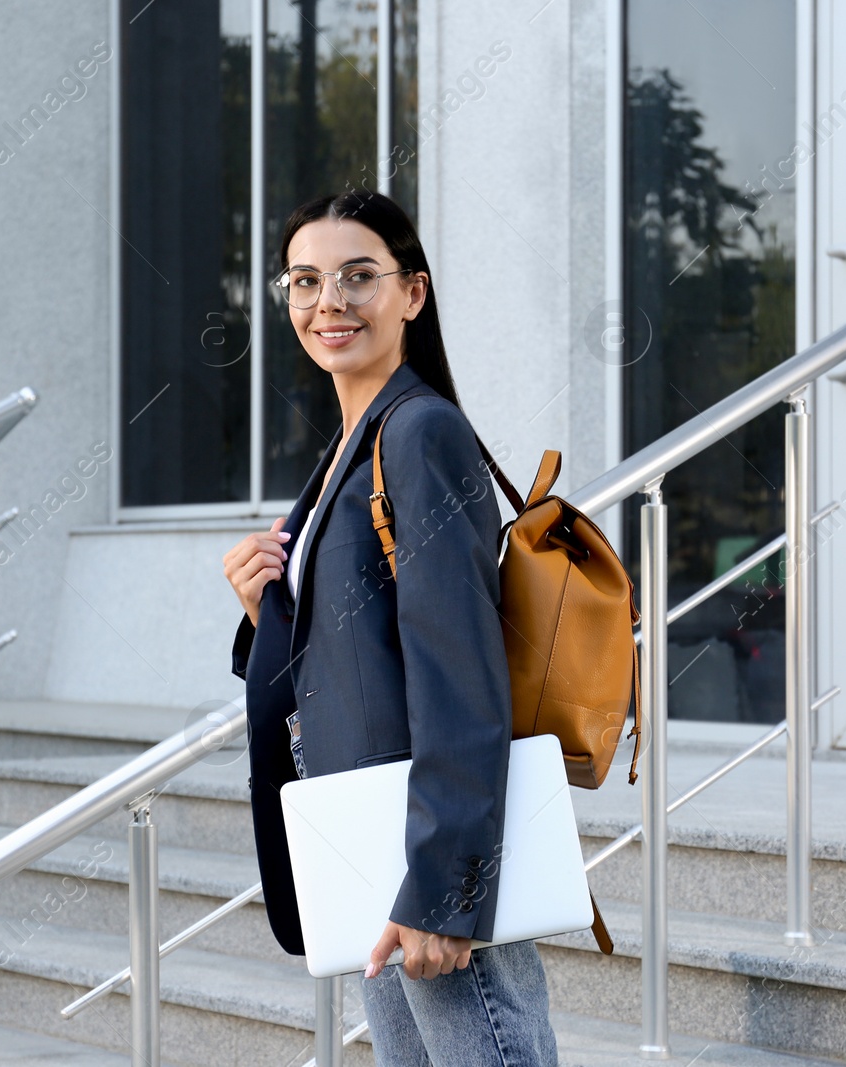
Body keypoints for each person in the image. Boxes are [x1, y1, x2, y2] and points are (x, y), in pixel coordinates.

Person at [222, 189, 560, 1065]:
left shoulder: (419, 433)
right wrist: (270, 608)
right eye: (305, 280)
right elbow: (360, 648)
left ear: (413, 293)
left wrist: (445, 887)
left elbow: (460, 668)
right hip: (369, 841)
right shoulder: (353, 442)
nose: (328, 301)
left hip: (424, 851)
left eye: (358, 276)